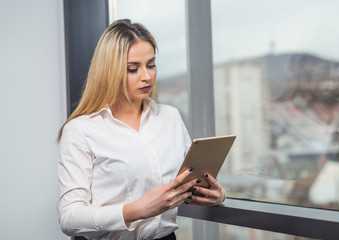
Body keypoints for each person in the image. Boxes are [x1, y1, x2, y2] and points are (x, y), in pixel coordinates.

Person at [56, 19, 225, 240]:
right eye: (133, 69)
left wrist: (216, 194)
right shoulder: (80, 130)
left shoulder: (170, 117)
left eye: (151, 65)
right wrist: (135, 210)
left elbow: (188, 181)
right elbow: (69, 217)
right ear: (109, 71)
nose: (146, 76)